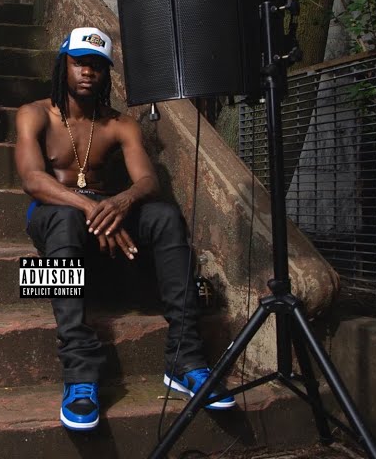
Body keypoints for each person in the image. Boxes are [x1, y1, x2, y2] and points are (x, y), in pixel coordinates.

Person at [14, 27, 235, 431]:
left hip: (106, 211)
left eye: (97, 66)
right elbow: (32, 179)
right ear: (62, 65)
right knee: (64, 218)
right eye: (80, 63)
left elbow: (148, 182)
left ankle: (185, 359)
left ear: (106, 74)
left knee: (164, 215)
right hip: (53, 216)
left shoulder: (119, 124)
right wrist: (90, 207)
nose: (88, 72)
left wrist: (120, 202)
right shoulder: (34, 113)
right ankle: (80, 372)